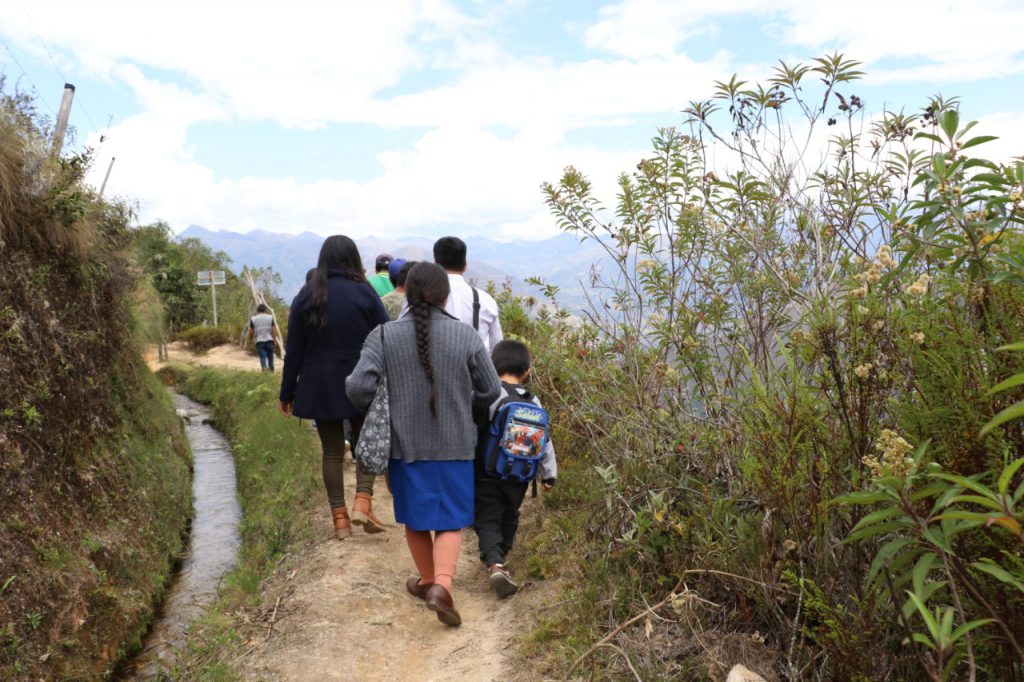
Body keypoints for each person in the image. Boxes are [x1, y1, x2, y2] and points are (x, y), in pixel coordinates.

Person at [347, 262, 500, 627]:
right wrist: (464, 402)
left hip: (405, 445)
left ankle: (429, 580)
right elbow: (491, 390)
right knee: (450, 519)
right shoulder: (464, 336)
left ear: (407, 291)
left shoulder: (382, 336)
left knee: (415, 518)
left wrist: (385, 397)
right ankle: (440, 586)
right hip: (456, 443)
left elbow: (357, 388)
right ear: (444, 295)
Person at [279, 235, 391, 540]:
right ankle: (362, 503)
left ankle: (340, 519)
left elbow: (295, 351)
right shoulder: (365, 292)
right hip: (362, 381)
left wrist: (286, 393)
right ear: (353, 258)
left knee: (331, 451)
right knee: (364, 444)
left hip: (319, 384)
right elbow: (386, 336)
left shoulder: (307, 295)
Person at [473, 340, 557, 598]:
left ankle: (495, 563)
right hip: (520, 476)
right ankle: (503, 556)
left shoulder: (489, 394)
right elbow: (545, 441)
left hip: (487, 472)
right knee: (510, 514)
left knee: (487, 517)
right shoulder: (534, 400)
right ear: (526, 371)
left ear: (492, 366)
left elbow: (474, 429)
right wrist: (550, 474)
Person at [433, 236, 502, 351]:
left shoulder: (422, 298)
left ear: (434, 265)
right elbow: (498, 348)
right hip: (477, 367)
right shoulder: (486, 300)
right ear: (465, 265)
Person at [247, 304, 277, 372]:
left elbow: (251, 331)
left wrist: (250, 340)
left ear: (258, 310)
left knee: (262, 357)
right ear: (265, 310)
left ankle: (264, 371)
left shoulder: (253, 319)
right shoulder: (270, 317)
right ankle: (271, 372)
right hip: (269, 340)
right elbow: (273, 330)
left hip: (260, 341)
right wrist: (274, 340)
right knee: (270, 357)